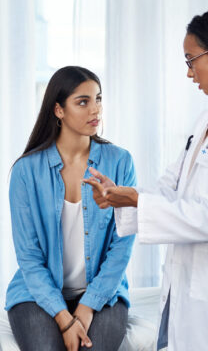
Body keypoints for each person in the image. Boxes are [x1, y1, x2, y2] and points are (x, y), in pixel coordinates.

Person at [85, 7, 208, 351]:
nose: (189, 72)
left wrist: (136, 201)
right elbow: (171, 187)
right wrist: (122, 195)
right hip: (190, 288)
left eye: (191, 60)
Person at [5, 66, 136, 351]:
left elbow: (122, 246)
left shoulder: (120, 162)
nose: (95, 110)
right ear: (58, 110)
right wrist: (64, 319)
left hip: (103, 294)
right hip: (36, 295)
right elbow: (29, 257)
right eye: (83, 102)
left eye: (98, 99)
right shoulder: (26, 172)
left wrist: (87, 307)